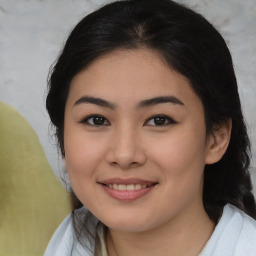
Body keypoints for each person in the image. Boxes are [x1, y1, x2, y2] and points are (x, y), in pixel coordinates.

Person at [44, 0, 256, 255]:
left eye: (159, 120)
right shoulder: (68, 241)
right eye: (96, 120)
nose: (124, 155)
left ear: (216, 138)